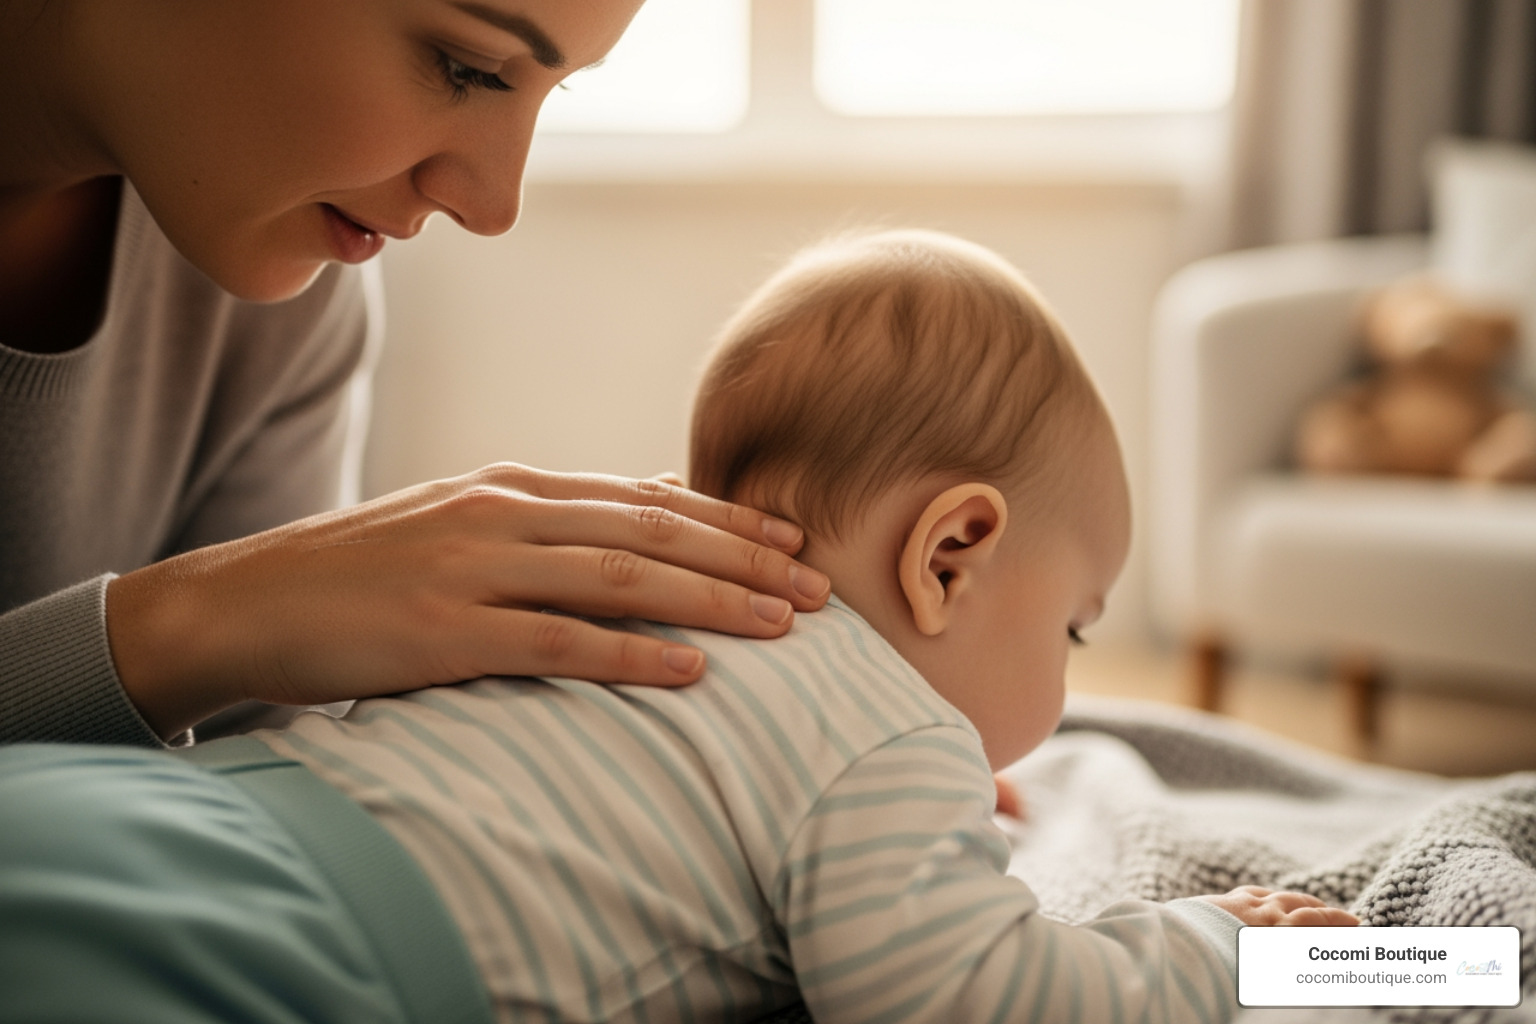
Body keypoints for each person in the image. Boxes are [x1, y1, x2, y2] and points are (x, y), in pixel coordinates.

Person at [0, 230, 1357, 1023]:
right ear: (951, 553)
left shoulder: (596, 594)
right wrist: (1228, 947)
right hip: (284, 949)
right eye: (1071, 630)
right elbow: (968, 995)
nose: (1066, 673)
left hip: (127, 807)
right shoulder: (884, 740)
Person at [0, 0, 831, 749]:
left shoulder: (285, 290)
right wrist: (192, 626)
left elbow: (236, 793)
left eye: (555, 91)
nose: (494, 207)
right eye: (467, 68)